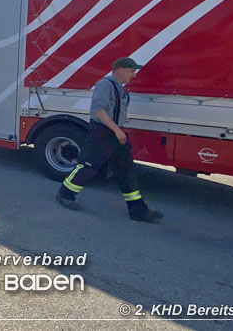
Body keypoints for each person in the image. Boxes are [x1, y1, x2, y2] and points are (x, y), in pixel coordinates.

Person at [55, 57, 164, 223]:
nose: (133, 75)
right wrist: (116, 130)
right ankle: (65, 195)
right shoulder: (105, 84)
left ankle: (138, 212)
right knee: (88, 167)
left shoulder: (121, 89)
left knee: (126, 170)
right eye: (131, 71)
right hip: (102, 133)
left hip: (116, 133)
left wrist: (118, 131)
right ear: (120, 69)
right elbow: (99, 111)